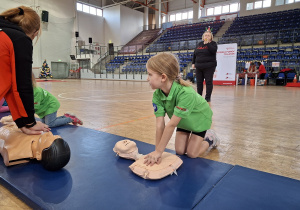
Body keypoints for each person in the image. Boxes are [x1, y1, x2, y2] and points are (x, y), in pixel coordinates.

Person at [144, 52, 220, 166]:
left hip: (198, 121)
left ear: (163, 77)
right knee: (180, 151)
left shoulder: (186, 93)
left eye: (150, 74)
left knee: (192, 154)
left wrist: (159, 152)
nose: (147, 78)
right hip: (183, 121)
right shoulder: (157, 95)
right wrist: (157, 151)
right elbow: (160, 125)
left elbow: (171, 125)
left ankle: (210, 138)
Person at [0, 6, 49, 134]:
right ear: (36, 32)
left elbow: (11, 88)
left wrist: (23, 122)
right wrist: (30, 122)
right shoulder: (19, 39)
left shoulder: (4, 34)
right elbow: (22, 85)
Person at [192, 27, 218, 102]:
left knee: (208, 82)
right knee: (199, 82)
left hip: (209, 66)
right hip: (199, 66)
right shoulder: (199, 44)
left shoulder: (213, 44)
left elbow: (213, 51)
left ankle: (207, 97)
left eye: (208, 36)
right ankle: (199, 96)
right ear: (203, 37)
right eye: (205, 35)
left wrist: (208, 44)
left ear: (211, 37)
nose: (206, 37)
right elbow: (195, 54)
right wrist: (193, 62)